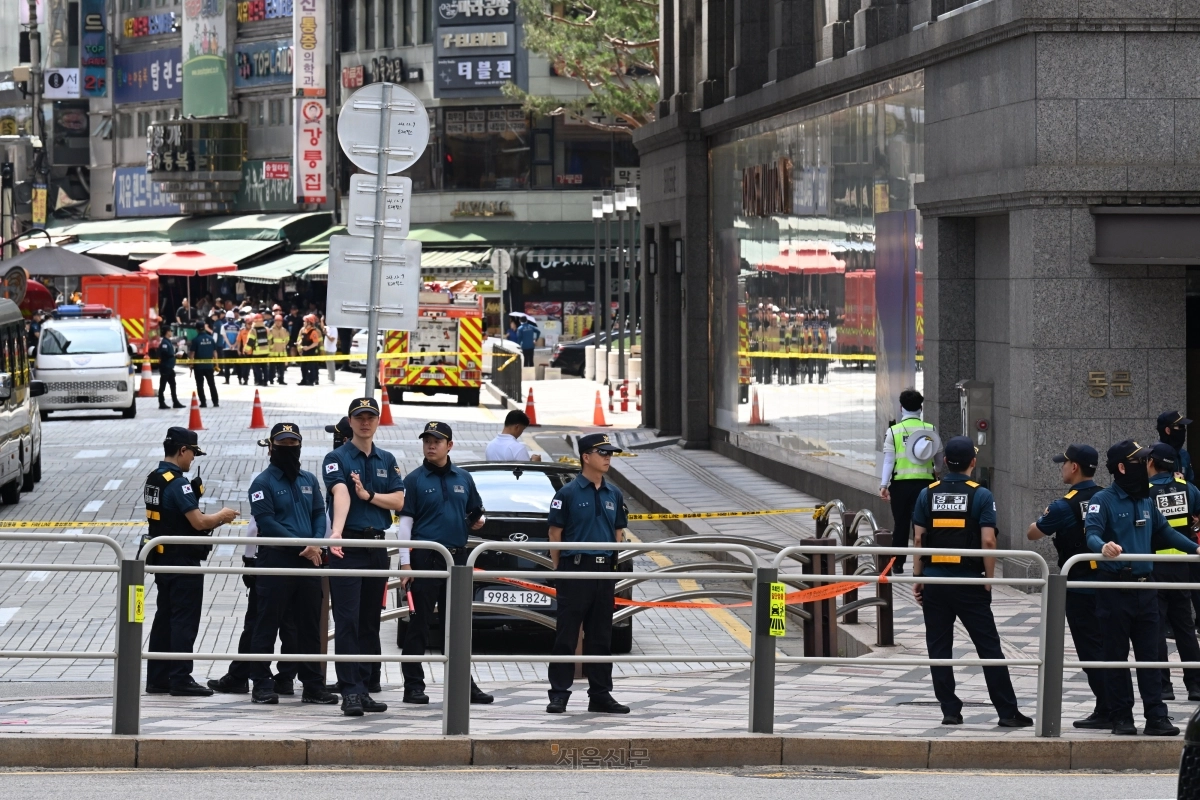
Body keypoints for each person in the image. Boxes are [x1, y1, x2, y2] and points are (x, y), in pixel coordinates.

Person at [911, 435, 1032, 728]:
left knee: (939, 647)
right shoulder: (981, 495)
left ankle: (950, 711)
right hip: (969, 583)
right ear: (973, 463)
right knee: (988, 647)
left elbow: (918, 538)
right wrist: (989, 580)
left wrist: (918, 578)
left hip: (935, 581)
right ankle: (1006, 712)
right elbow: (988, 541)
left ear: (943, 463)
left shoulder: (928, 493)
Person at [1085, 439, 1200, 736]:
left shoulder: (1146, 500)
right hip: (1114, 588)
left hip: (1146, 588)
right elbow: (1092, 533)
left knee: (1151, 656)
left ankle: (1156, 717)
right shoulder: (1104, 499)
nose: (1144, 466)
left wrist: (1194, 550)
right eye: (1139, 461)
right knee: (1115, 657)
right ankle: (1121, 717)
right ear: (1122, 468)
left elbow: (1165, 531)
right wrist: (1104, 547)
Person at [398, 421, 494, 706]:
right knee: (419, 624)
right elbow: (405, 523)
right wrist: (405, 564)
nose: (431, 445)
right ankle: (413, 686)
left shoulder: (463, 477)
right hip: (425, 559)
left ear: (449, 445)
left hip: (458, 559)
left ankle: (464, 684)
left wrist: (479, 521)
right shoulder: (414, 480)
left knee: (458, 625)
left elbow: (477, 514)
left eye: (437, 441)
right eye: (427, 440)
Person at [243, 423, 339, 706]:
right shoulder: (262, 483)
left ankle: (312, 685)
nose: (288, 449)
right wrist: (304, 545)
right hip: (276, 560)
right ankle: (261, 683)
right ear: (271, 447)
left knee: (309, 625)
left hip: (309, 560)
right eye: (283, 444)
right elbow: (267, 523)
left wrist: (315, 543)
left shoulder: (309, 479)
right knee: (266, 622)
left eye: (292, 444)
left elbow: (319, 513)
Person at [323, 398, 406, 716]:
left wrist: (370, 496)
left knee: (370, 621)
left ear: (378, 420)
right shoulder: (337, 457)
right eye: (359, 417)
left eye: (371, 416)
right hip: (348, 548)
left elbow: (398, 501)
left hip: (376, 547)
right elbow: (340, 492)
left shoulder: (388, 458)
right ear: (350, 421)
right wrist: (337, 532)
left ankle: (368, 686)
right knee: (347, 622)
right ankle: (350, 692)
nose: (365, 422)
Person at [144, 427, 238, 696]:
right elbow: (198, 521)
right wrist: (222, 515)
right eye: (193, 453)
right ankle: (181, 678)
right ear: (182, 450)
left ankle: (159, 677)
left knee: (164, 618)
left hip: (162, 558)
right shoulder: (178, 482)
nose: (193, 459)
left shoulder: (154, 477)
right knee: (184, 620)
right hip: (182, 559)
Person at [544, 432, 630, 714]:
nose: (607, 458)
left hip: (603, 572)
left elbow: (618, 532)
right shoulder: (567, 493)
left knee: (601, 636)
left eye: (609, 453)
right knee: (567, 635)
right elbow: (554, 534)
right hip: (575, 570)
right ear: (586, 457)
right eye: (602, 453)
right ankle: (558, 694)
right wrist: (560, 570)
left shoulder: (613, 494)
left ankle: (601, 694)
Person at [1025, 444, 1110, 728]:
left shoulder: (1065, 505)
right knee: (1110, 646)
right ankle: (1112, 705)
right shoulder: (1108, 497)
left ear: (1074, 467)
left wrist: (1041, 518)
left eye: (1064, 463)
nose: (1061, 467)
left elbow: (1032, 533)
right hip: (1110, 585)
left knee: (1089, 649)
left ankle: (1107, 708)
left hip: (1080, 587)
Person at [1146, 443, 1200, 702]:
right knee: (1185, 627)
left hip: (1154, 567)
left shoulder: (1145, 494)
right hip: (1182, 567)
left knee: (1156, 627)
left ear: (1151, 463)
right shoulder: (1188, 489)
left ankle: (1164, 686)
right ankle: (1196, 685)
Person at [879, 389, 936, 573]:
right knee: (923, 525)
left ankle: (897, 564)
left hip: (901, 486)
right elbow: (939, 458)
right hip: (925, 485)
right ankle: (924, 563)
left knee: (901, 524)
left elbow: (889, 460)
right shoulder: (930, 429)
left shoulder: (893, 431)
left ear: (901, 407)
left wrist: (883, 485)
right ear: (921, 407)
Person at [188, 321, 220, 409]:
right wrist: (216, 364)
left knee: (200, 385)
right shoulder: (211, 339)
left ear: (197, 330)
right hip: (209, 366)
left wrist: (191, 364)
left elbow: (192, 354)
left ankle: (203, 403)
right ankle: (215, 402)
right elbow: (215, 352)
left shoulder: (195, 340)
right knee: (212, 384)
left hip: (199, 367)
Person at [1158, 411, 1195, 485]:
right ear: (1168, 430)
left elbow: (1191, 484)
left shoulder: (1184, 454)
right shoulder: (1155, 455)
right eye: (1180, 426)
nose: (1183, 430)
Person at [156, 323, 184, 409]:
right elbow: (164, 353)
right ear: (167, 332)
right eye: (170, 331)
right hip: (165, 367)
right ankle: (161, 403)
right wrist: (174, 355)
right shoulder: (164, 342)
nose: (171, 332)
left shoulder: (168, 341)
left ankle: (175, 402)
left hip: (170, 367)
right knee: (163, 386)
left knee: (173, 384)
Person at [298, 315, 322, 385]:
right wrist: (299, 343)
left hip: (311, 353)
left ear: (309, 323)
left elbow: (316, 343)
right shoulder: (304, 330)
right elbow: (302, 339)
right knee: (303, 367)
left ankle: (311, 381)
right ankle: (304, 380)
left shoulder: (313, 332)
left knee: (311, 368)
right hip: (304, 353)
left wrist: (308, 347)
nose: (303, 323)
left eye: (305, 322)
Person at [268, 315, 290, 385]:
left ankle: (281, 380)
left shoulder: (284, 330)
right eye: (277, 321)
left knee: (281, 368)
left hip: (282, 353)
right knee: (272, 368)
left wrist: (283, 346)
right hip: (273, 353)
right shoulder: (270, 330)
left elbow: (287, 340)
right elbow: (269, 341)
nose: (278, 323)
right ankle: (271, 379)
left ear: (282, 322)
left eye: (280, 321)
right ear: (274, 321)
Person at [220, 311, 240, 384]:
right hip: (235, 349)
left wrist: (230, 345)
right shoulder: (237, 327)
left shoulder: (224, 326)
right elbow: (238, 338)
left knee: (227, 366)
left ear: (226, 318)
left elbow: (225, 337)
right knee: (237, 365)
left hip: (226, 348)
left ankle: (227, 380)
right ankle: (240, 379)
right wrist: (234, 345)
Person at [324, 319, 339, 384]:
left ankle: (332, 378)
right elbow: (323, 327)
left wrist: (326, 334)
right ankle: (329, 377)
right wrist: (321, 320)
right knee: (328, 364)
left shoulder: (334, 329)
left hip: (331, 349)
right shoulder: (328, 327)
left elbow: (332, 339)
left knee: (331, 364)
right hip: (327, 348)